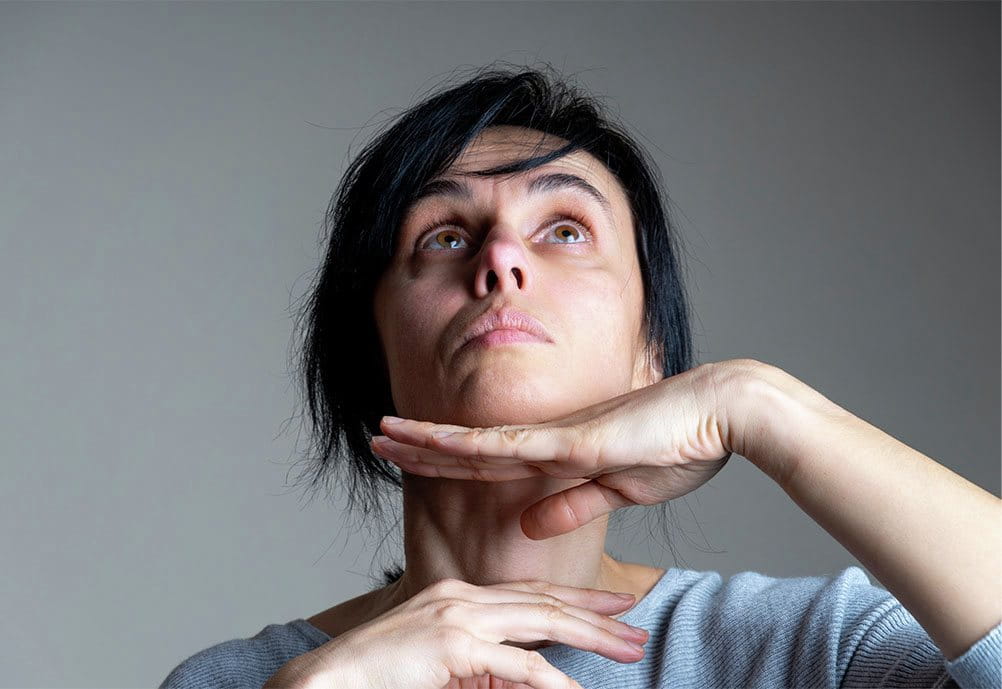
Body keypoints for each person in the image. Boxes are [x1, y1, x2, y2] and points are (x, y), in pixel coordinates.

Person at [159, 63, 1000, 689]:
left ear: (653, 354)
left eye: (563, 229)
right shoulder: (246, 680)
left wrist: (764, 405)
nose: (500, 259)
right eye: (444, 236)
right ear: (368, 352)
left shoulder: (805, 650)